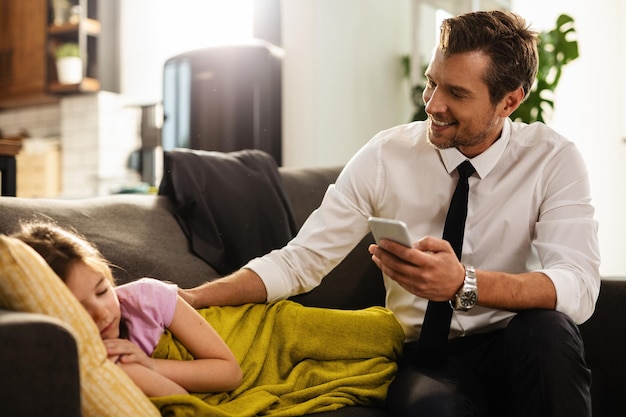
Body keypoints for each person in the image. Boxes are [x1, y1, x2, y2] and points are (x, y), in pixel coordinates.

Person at [179, 10, 600, 417]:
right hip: (429, 357)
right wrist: (192, 298)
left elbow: (578, 286)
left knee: (548, 332)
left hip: (517, 344)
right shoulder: (386, 155)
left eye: (456, 93)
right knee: (431, 409)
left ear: (509, 102)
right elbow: (299, 261)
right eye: (432, 83)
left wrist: (464, 283)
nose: (433, 105)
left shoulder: (551, 159)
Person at [12, 221, 242, 398]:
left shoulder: (148, 298)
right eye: (80, 309)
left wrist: (150, 365)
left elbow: (230, 372)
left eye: (102, 291)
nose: (101, 313)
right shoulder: (79, 357)